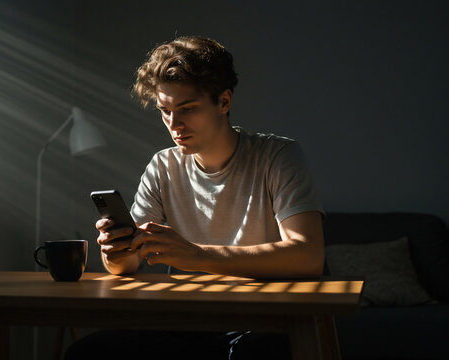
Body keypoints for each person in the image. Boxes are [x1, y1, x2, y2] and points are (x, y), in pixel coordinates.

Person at [65, 36, 324, 360]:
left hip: (261, 322)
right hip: (184, 322)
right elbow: (125, 266)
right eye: (165, 111)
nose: (175, 124)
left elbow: (308, 256)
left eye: (187, 109)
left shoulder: (278, 156)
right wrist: (115, 250)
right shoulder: (163, 165)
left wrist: (197, 256)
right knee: (87, 353)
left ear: (224, 102)